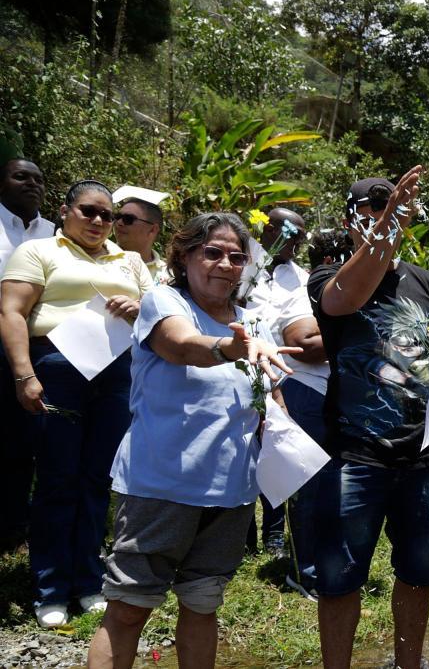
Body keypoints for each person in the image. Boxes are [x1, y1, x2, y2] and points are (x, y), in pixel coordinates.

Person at [86, 212, 298, 669]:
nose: (225, 264)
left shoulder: (251, 321)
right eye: (213, 252)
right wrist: (229, 348)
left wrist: (279, 417)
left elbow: (267, 392)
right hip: (160, 486)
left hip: (231, 493)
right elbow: (180, 346)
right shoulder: (164, 303)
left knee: (203, 604)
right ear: (184, 256)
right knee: (128, 609)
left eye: (236, 257)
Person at [309, 173, 429, 669]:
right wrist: (389, 224)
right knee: (339, 577)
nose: (383, 214)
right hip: (354, 456)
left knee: (419, 572)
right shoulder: (328, 277)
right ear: (348, 218)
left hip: (422, 458)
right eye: (373, 206)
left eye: (391, 205)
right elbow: (347, 301)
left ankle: (408, 664)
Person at [0, 179, 152, 629]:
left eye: (110, 215)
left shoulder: (129, 260)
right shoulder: (39, 252)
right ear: (65, 211)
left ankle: (87, 582)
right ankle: (50, 588)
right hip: (57, 367)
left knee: (96, 482)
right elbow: (11, 312)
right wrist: (24, 374)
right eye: (90, 211)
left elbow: (161, 311)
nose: (100, 221)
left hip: (117, 374)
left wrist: (139, 305)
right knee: (56, 478)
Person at [245, 208, 329, 598]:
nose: (291, 236)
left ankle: (287, 548)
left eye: (299, 232)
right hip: (234, 370)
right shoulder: (238, 264)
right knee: (243, 459)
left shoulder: (301, 281)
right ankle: (241, 542)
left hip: (284, 377)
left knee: (291, 464)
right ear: (265, 228)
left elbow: (297, 335)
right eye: (283, 228)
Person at [0, 157, 52, 551]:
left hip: (36, 351)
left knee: (25, 439)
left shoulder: (55, 234)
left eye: (38, 180)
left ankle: (18, 522)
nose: (31, 185)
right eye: (21, 177)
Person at [112, 186, 170, 284]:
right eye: (118, 217)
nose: (119, 223)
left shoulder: (168, 275)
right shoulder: (101, 259)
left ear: (152, 230)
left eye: (128, 219)